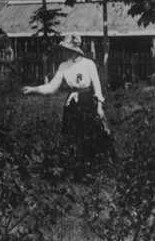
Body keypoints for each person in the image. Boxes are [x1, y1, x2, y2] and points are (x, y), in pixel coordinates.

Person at [22, 34, 116, 164]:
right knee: (71, 134)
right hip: (71, 103)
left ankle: (96, 163)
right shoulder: (63, 66)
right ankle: (74, 164)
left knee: (93, 133)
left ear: (74, 50)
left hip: (87, 101)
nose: (64, 52)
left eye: (67, 50)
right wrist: (34, 89)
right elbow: (52, 87)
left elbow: (97, 87)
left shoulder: (88, 64)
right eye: (64, 50)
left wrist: (100, 106)